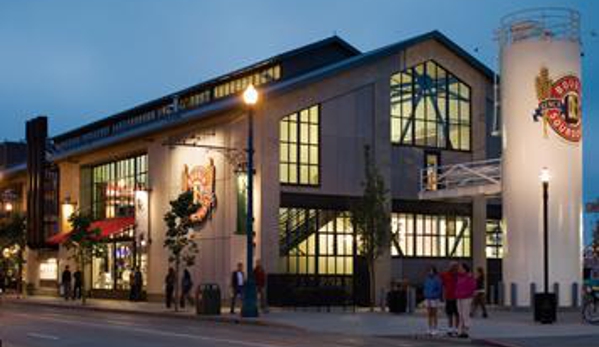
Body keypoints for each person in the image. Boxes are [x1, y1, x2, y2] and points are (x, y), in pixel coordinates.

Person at [455, 263, 477, 338]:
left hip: (467, 298)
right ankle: (460, 331)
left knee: (465, 314)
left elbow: (472, 287)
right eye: (459, 268)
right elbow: (457, 287)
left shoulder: (469, 277)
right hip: (459, 297)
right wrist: (457, 294)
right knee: (460, 314)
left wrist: (465, 294)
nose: (459, 269)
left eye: (461, 268)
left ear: (465, 269)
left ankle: (465, 330)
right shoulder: (459, 277)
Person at [440, 261, 459, 336]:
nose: (454, 268)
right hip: (449, 297)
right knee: (449, 314)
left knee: (457, 314)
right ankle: (450, 329)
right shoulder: (445, 274)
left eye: (455, 266)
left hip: (457, 297)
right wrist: (443, 295)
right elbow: (442, 285)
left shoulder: (459, 275)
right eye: (452, 266)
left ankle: (457, 329)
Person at [423, 265, 443, 336]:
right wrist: (426, 294)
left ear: (434, 271)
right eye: (429, 271)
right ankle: (429, 328)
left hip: (434, 299)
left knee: (434, 314)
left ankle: (435, 329)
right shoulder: (427, 279)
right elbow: (425, 287)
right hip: (428, 298)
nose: (430, 272)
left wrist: (435, 295)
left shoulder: (437, 279)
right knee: (429, 314)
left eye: (431, 270)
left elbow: (439, 289)